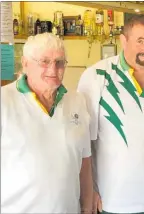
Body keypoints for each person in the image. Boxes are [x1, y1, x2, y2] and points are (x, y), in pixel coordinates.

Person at [77, 14, 144, 214]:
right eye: (139, 41)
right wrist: (89, 193)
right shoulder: (97, 76)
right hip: (114, 199)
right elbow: (84, 144)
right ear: (123, 40)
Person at [1, 33, 93, 213]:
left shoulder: (77, 101)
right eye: (44, 61)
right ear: (25, 64)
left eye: (60, 62)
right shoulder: (4, 101)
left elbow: (85, 163)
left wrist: (87, 207)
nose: (53, 70)